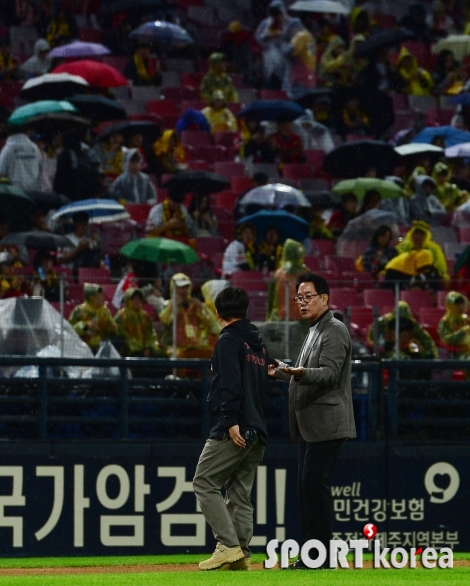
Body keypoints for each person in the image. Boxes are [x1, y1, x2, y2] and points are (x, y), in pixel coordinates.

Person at [268, 272, 356, 569]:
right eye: (299, 298)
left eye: (308, 297)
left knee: (313, 485)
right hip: (310, 422)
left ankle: (321, 556)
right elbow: (302, 372)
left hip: (327, 422)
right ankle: (312, 555)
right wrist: (280, 371)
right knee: (306, 487)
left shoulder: (335, 329)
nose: (302, 303)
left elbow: (328, 373)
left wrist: (299, 372)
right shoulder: (314, 329)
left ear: (324, 299)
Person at [193, 286, 268, 571]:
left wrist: (231, 420)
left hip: (234, 426)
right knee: (239, 493)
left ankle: (228, 545)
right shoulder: (259, 344)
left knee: (204, 482)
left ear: (217, 312)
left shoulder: (228, 340)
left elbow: (230, 385)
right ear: (245, 310)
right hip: (258, 429)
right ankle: (242, 555)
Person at [158, 272, 220, 359]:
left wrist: (202, 308)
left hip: (194, 346)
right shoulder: (167, 305)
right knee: (179, 357)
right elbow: (164, 321)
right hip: (174, 347)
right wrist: (173, 306)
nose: (185, 291)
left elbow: (213, 325)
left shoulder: (196, 306)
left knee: (211, 355)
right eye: (181, 288)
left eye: (187, 287)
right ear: (174, 289)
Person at [255, 0, 302, 90]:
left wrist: (285, 37)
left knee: (285, 80)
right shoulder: (266, 23)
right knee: (271, 80)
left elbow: (297, 37)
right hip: (270, 55)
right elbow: (259, 37)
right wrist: (270, 36)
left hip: (285, 55)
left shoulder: (290, 22)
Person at [368, 301, 438, 360]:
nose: (401, 324)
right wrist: (384, 345)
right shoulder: (383, 323)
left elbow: (425, 340)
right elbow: (374, 337)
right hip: (386, 353)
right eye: (399, 320)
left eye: (404, 320)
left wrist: (430, 353)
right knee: (402, 358)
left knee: (419, 358)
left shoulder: (413, 325)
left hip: (406, 351)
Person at [267, 238, 310, 322]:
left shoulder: (278, 274)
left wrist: (269, 318)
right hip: (303, 322)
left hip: (281, 321)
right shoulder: (308, 273)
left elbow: (270, 301)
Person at [68, 283, 118, 354]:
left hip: (101, 346)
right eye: (99, 295)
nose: (102, 297)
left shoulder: (105, 311)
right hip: (82, 347)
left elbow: (109, 333)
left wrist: (112, 329)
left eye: (102, 294)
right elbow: (70, 330)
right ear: (92, 297)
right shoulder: (79, 311)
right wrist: (85, 326)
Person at [114, 288, 164, 357]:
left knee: (161, 355)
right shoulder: (121, 316)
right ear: (128, 300)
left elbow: (150, 335)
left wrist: (148, 347)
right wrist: (138, 348)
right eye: (133, 299)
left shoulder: (145, 316)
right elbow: (124, 337)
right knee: (137, 355)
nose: (136, 301)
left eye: (138, 299)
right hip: (129, 349)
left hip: (145, 348)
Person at [396, 221, 449, 286]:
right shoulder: (404, 245)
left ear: (426, 236)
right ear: (411, 234)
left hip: (427, 275)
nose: (418, 237)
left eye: (421, 234)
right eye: (416, 233)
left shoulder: (434, 248)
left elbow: (439, 265)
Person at [438, 292, 470, 359]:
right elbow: (448, 339)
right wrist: (463, 331)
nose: (461, 307)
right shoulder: (445, 321)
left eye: (462, 304)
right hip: (456, 353)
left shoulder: (465, 318)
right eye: (457, 305)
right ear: (450, 305)